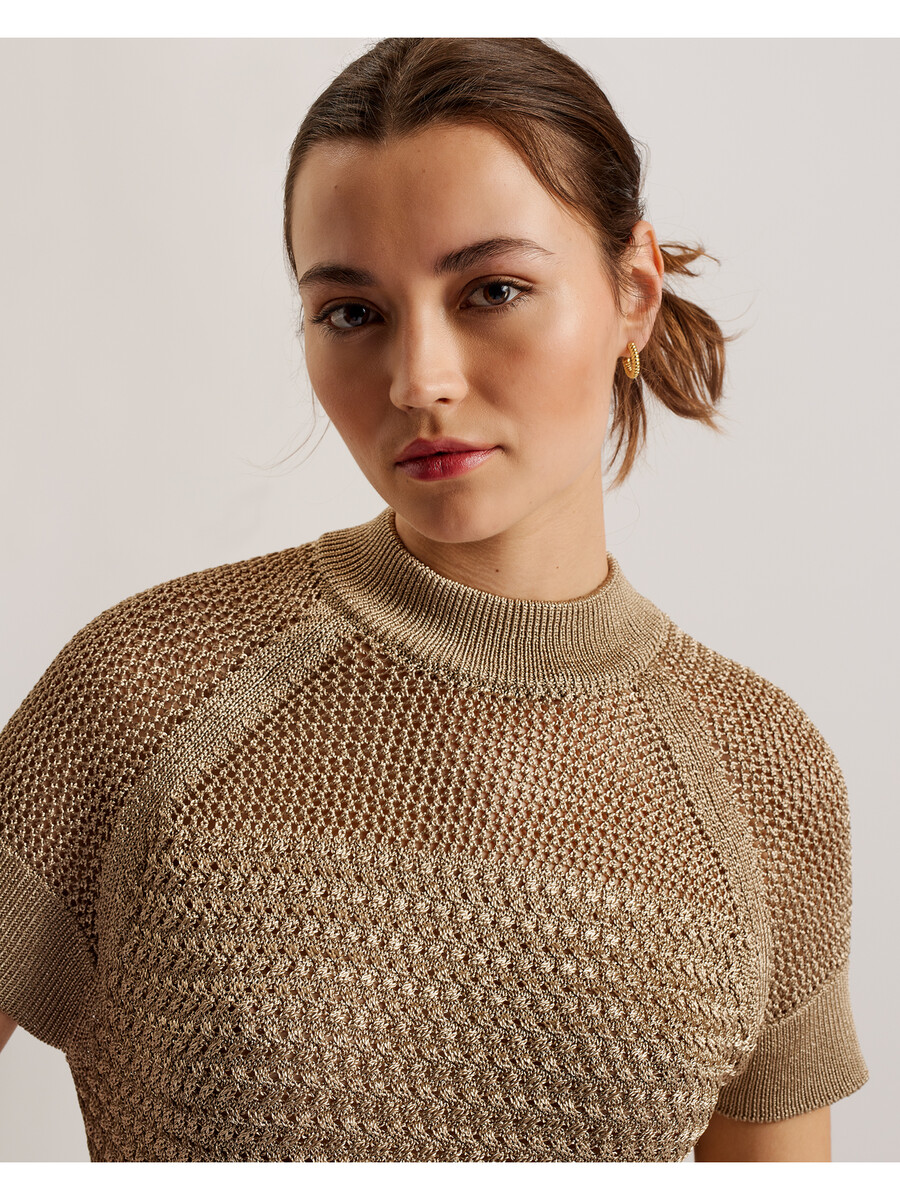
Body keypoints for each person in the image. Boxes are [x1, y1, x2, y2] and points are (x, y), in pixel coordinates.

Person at [0, 37, 868, 1163]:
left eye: (492, 291)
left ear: (634, 294)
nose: (420, 381)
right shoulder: (144, 693)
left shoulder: (764, 778)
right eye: (352, 312)